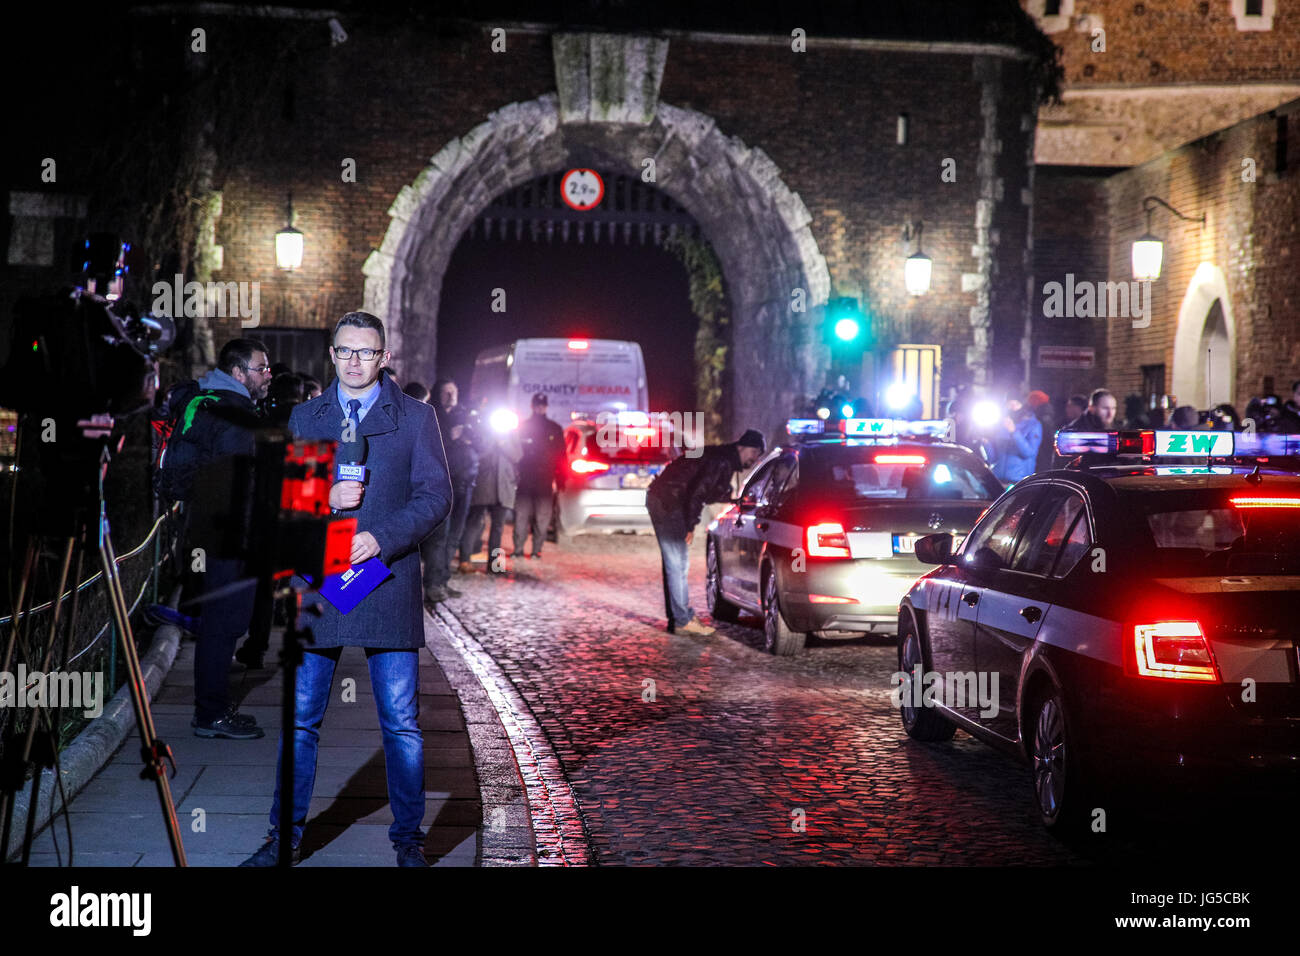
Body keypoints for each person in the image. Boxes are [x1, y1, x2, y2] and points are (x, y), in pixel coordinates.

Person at [240, 311, 451, 867]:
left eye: (367, 352)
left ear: (384, 357)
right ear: (331, 355)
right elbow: (282, 502)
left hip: (387, 580)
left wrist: (382, 537)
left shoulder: (415, 418)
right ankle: (282, 838)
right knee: (301, 720)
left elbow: (435, 497)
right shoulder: (307, 417)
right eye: (345, 351)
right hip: (322, 585)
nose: (355, 362)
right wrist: (324, 500)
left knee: (402, 724)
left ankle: (409, 843)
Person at [159, 337, 273, 739]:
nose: (268, 374)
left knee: (219, 624)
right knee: (223, 626)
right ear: (238, 373)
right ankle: (211, 714)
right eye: (261, 368)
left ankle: (212, 708)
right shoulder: (233, 413)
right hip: (228, 538)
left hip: (210, 533)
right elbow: (233, 485)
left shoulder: (212, 402)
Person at [644, 429, 766, 635]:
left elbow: (709, 489)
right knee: (677, 563)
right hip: (668, 502)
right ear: (741, 447)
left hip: (663, 498)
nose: (754, 458)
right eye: (753, 452)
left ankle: (678, 618)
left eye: (758, 455)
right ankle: (682, 620)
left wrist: (731, 497)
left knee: (675, 562)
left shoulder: (720, 458)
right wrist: (690, 525)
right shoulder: (722, 462)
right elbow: (697, 493)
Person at [459, 410, 522, 574]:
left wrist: (503, 441)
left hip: (503, 488)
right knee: (474, 523)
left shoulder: (512, 435)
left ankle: (494, 565)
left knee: (498, 528)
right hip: (483, 485)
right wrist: (491, 440)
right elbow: (478, 454)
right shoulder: (483, 432)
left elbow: (517, 456)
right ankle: (464, 560)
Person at [512, 393, 565, 559]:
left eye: (542, 405)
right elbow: (515, 453)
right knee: (521, 515)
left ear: (546, 407)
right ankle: (518, 549)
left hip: (545, 480)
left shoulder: (554, 429)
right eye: (537, 405)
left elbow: (561, 456)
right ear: (532, 406)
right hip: (525, 480)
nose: (539, 408)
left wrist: (560, 479)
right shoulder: (523, 427)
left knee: (542, 517)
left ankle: (536, 550)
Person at [993, 397, 1043, 486]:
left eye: (1015, 404)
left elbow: (1029, 452)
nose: (1012, 407)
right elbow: (993, 456)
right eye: (1009, 404)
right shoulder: (1001, 424)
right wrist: (985, 441)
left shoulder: (1034, 425)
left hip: (1019, 481)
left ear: (1023, 405)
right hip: (998, 479)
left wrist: (1014, 432)